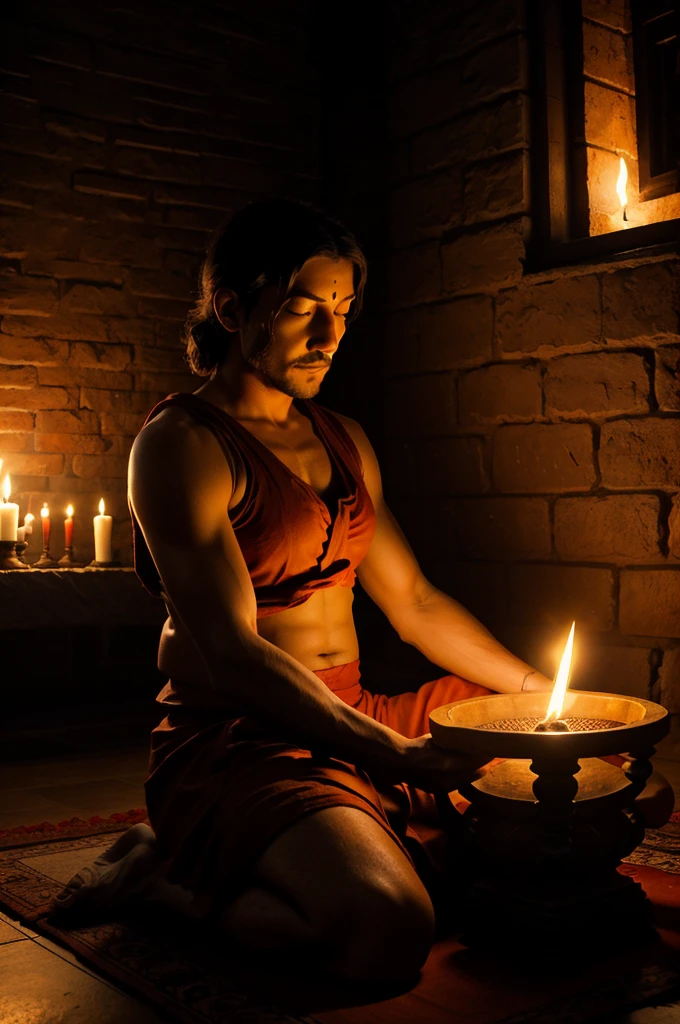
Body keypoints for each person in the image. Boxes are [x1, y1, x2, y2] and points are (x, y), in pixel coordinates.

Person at [53, 198, 673, 983]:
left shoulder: (344, 438)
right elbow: (232, 653)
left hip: (362, 708)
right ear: (233, 308)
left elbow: (412, 602)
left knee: (632, 784)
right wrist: (394, 752)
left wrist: (547, 698)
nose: (330, 336)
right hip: (247, 740)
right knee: (385, 929)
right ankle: (163, 879)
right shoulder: (181, 445)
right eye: (304, 310)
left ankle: (385, 834)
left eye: (343, 312)